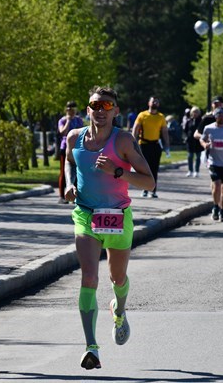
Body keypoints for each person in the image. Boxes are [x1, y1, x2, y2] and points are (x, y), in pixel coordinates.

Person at [64, 86, 155, 370]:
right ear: (87, 109)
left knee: (117, 277)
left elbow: (149, 182)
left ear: (116, 110)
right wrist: (69, 184)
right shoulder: (74, 137)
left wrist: (117, 171)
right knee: (89, 277)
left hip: (117, 215)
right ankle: (91, 347)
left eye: (107, 106)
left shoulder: (124, 140)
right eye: (95, 105)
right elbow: (69, 162)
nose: (100, 111)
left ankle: (119, 310)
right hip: (86, 214)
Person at [132, 96, 170, 198]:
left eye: (157, 102)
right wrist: (133, 143)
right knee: (145, 168)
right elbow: (135, 130)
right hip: (144, 145)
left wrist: (167, 145)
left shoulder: (161, 117)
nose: (155, 103)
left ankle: (153, 190)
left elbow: (165, 132)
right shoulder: (142, 115)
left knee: (154, 168)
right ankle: (145, 190)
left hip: (156, 145)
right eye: (153, 101)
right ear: (149, 103)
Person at [57, 101, 85, 204]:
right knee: (64, 173)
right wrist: (68, 120)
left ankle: (75, 195)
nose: (72, 111)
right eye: (69, 109)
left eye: (73, 109)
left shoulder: (79, 120)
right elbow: (62, 132)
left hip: (77, 148)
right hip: (65, 147)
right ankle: (62, 196)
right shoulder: (62, 120)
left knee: (78, 173)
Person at [183, 106, 204, 177]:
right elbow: (185, 130)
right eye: (194, 112)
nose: (195, 113)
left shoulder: (201, 121)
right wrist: (186, 137)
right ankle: (190, 170)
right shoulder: (189, 121)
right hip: (190, 141)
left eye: (196, 112)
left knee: (198, 157)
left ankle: (197, 171)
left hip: (198, 141)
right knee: (190, 156)